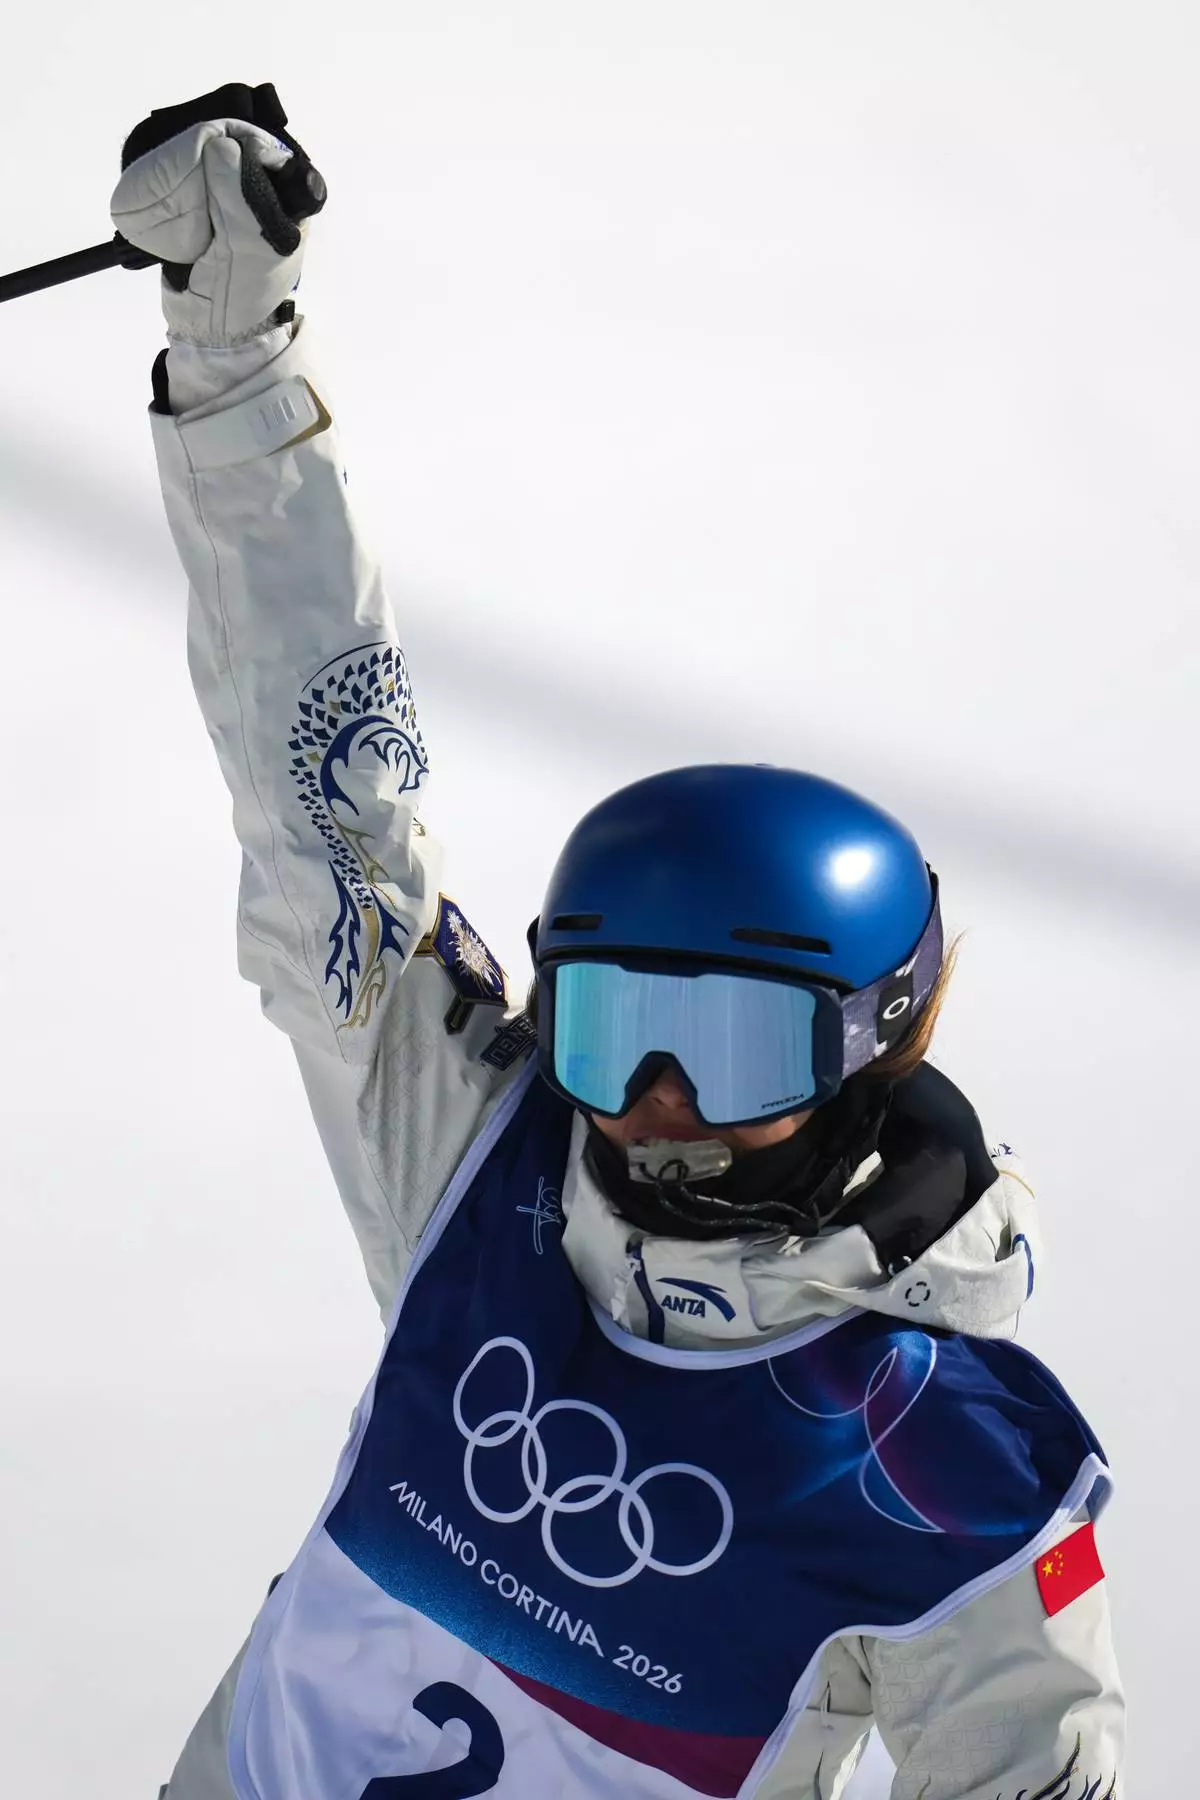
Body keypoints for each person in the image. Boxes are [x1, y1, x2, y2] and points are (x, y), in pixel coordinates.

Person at [111, 111, 1124, 1800]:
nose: (654, 1107)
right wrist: (232, 361)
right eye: (614, 1029)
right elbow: (325, 804)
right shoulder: (483, 1168)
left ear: (870, 1047)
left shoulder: (945, 1466)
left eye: (728, 1048)